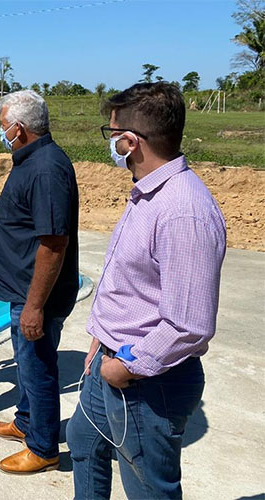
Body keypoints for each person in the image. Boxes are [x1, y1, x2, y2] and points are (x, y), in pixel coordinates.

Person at [66, 82, 226, 499]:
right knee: (83, 442)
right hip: (111, 360)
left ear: (131, 142)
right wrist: (102, 338)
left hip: (145, 380)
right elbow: (133, 282)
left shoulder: (182, 211)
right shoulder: (148, 193)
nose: (111, 142)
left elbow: (188, 325)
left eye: (112, 132)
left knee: (149, 489)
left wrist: (126, 365)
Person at [0, 90, 79, 474]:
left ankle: (43, 447)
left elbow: (54, 243)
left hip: (34, 294)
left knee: (38, 368)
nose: (2, 131)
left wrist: (36, 305)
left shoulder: (45, 169)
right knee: (26, 364)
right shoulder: (32, 160)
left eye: (4, 124)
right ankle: (27, 423)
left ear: (18, 128)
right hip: (22, 289)